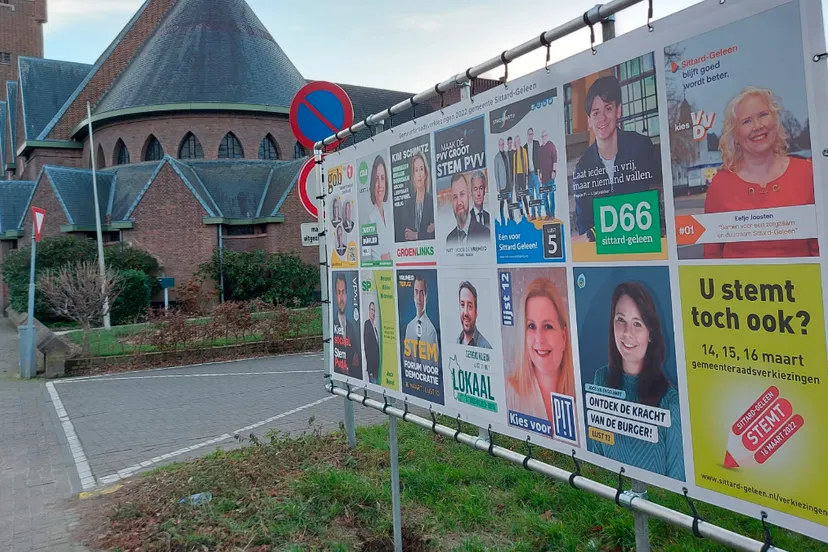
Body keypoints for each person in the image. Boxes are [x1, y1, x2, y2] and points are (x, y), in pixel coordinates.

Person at [703, 86, 818, 258]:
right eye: (746, 121)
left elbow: (820, 248)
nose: (757, 126)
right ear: (735, 135)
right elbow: (712, 257)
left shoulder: (807, 173)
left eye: (763, 115)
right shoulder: (720, 185)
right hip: (737, 285)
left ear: (775, 120)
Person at [588, 282, 684, 480]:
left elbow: (677, 489)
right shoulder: (600, 380)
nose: (627, 333)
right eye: (620, 320)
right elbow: (596, 459)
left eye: (638, 323)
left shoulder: (671, 403)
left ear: (651, 334)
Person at [572, 75, 662, 242]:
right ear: (589, 121)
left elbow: (655, 204)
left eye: (608, 109)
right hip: (605, 257)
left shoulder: (641, 147)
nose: (602, 118)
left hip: (643, 246)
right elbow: (584, 227)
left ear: (618, 110)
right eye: (596, 113)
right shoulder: (583, 167)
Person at [506, 278, 575, 426]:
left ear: (564, 336)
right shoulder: (509, 393)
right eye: (531, 326)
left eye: (548, 326)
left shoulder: (580, 397)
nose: (539, 339)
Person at [446, 173, 489, 246]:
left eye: (462, 194)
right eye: (455, 197)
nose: (459, 202)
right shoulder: (450, 239)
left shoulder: (485, 234)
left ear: (468, 195)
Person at [333, 274, 361, 379]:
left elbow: (356, 360)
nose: (341, 298)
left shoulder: (351, 328)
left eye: (343, 292)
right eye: (338, 292)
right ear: (335, 295)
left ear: (347, 294)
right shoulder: (332, 326)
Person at [403, 275, 438, 358]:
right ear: (413, 296)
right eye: (416, 292)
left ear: (426, 296)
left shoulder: (431, 331)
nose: (419, 298)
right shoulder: (409, 327)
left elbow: (435, 364)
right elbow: (406, 359)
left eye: (422, 293)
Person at [365, 155, 392, 261]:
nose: (380, 184)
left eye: (382, 178)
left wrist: (389, 255)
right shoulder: (370, 218)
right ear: (372, 183)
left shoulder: (391, 211)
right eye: (376, 179)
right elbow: (376, 257)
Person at [403, 152, 435, 241]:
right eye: (416, 170)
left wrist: (416, 235)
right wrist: (425, 232)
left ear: (425, 173)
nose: (419, 174)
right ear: (413, 176)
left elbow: (433, 234)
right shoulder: (408, 204)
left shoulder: (432, 201)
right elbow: (407, 235)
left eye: (421, 169)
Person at [457, 281, 491, 349]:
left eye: (470, 306)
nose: (465, 313)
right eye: (462, 305)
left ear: (476, 311)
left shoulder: (485, 347)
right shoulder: (457, 341)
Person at [539, 130, 558, 219]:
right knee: (544, 197)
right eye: (542, 136)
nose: (543, 137)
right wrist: (539, 174)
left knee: (551, 196)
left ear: (547, 136)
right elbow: (539, 163)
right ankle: (547, 214)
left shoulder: (551, 146)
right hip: (543, 177)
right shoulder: (540, 148)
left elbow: (555, 159)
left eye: (545, 136)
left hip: (550, 176)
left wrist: (554, 171)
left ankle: (552, 214)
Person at [494, 138, 513, 223]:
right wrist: (498, 186)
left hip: (508, 183)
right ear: (498, 146)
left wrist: (511, 180)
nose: (502, 145)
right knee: (502, 204)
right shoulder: (496, 157)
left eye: (503, 144)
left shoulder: (506, 154)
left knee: (510, 202)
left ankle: (511, 219)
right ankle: (502, 219)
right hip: (502, 185)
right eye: (500, 144)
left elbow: (509, 168)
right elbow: (496, 173)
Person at [525, 128, 542, 219]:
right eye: (529, 134)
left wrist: (540, 172)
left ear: (533, 134)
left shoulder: (536, 144)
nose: (530, 136)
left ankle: (539, 214)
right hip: (529, 174)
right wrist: (526, 177)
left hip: (536, 173)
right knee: (531, 195)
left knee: (538, 193)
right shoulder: (524, 147)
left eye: (532, 134)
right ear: (527, 135)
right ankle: (533, 215)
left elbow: (539, 158)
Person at [512, 135, 530, 219]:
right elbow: (514, 170)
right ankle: (521, 213)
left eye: (518, 141)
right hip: (517, 177)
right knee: (518, 196)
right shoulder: (514, 155)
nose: (517, 142)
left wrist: (526, 176)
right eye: (516, 141)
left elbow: (526, 164)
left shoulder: (524, 151)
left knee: (524, 196)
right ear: (515, 143)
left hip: (523, 175)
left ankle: (528, 213)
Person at [363, 301, 380, 383]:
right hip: (372, 370)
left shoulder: (375, 329)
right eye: (371, 309)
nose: (373, 312)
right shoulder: (367, 325)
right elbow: (368, 348)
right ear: (369, 311)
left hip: (377, 369)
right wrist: (370, 371)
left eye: (374, 310)